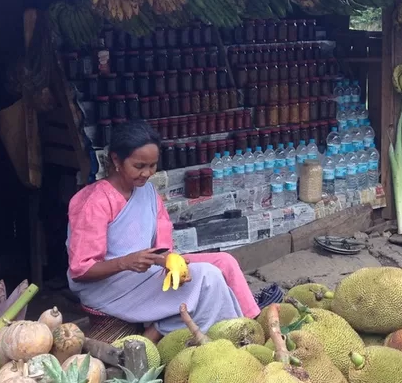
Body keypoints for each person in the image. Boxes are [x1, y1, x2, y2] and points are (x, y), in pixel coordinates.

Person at [67, 120, 260, 340]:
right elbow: (81, 271)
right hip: (108, 285)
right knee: (208, 277)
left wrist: (168, 263)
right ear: (116, 160)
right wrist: (125, 262)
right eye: (139, 166)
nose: (147, 173)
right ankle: (220, 337)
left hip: (144, 270)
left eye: (152, 166)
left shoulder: (148, 192)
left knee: (224, 262)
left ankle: (253, 324)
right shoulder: (94, 202)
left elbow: (162, 247)